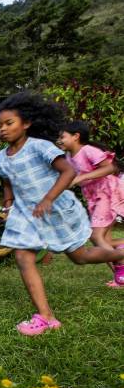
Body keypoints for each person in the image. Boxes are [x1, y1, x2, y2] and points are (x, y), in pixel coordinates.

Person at [0, 92, 124, 335]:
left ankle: (120, 254)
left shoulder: (40, 147)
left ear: (27, 123)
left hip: (58, 210)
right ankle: (46, 317)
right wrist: (8, 203)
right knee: (23, 256)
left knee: (80, 257)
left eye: (9, 123)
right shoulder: (1, 157)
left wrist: (48, 198)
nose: (3, 129)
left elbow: (68, 172)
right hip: (27, 213)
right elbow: (6, 180)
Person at [59, 120, 124, 286]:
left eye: (62, 137)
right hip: (94, 197)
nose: (59, 140)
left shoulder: (88, 150)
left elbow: (111, 168)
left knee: (95, 236)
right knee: (105, 241)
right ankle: (120, 279)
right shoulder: (68, 157)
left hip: (107, 192)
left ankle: (121, 270)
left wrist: (82, 177)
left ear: (76, 136)